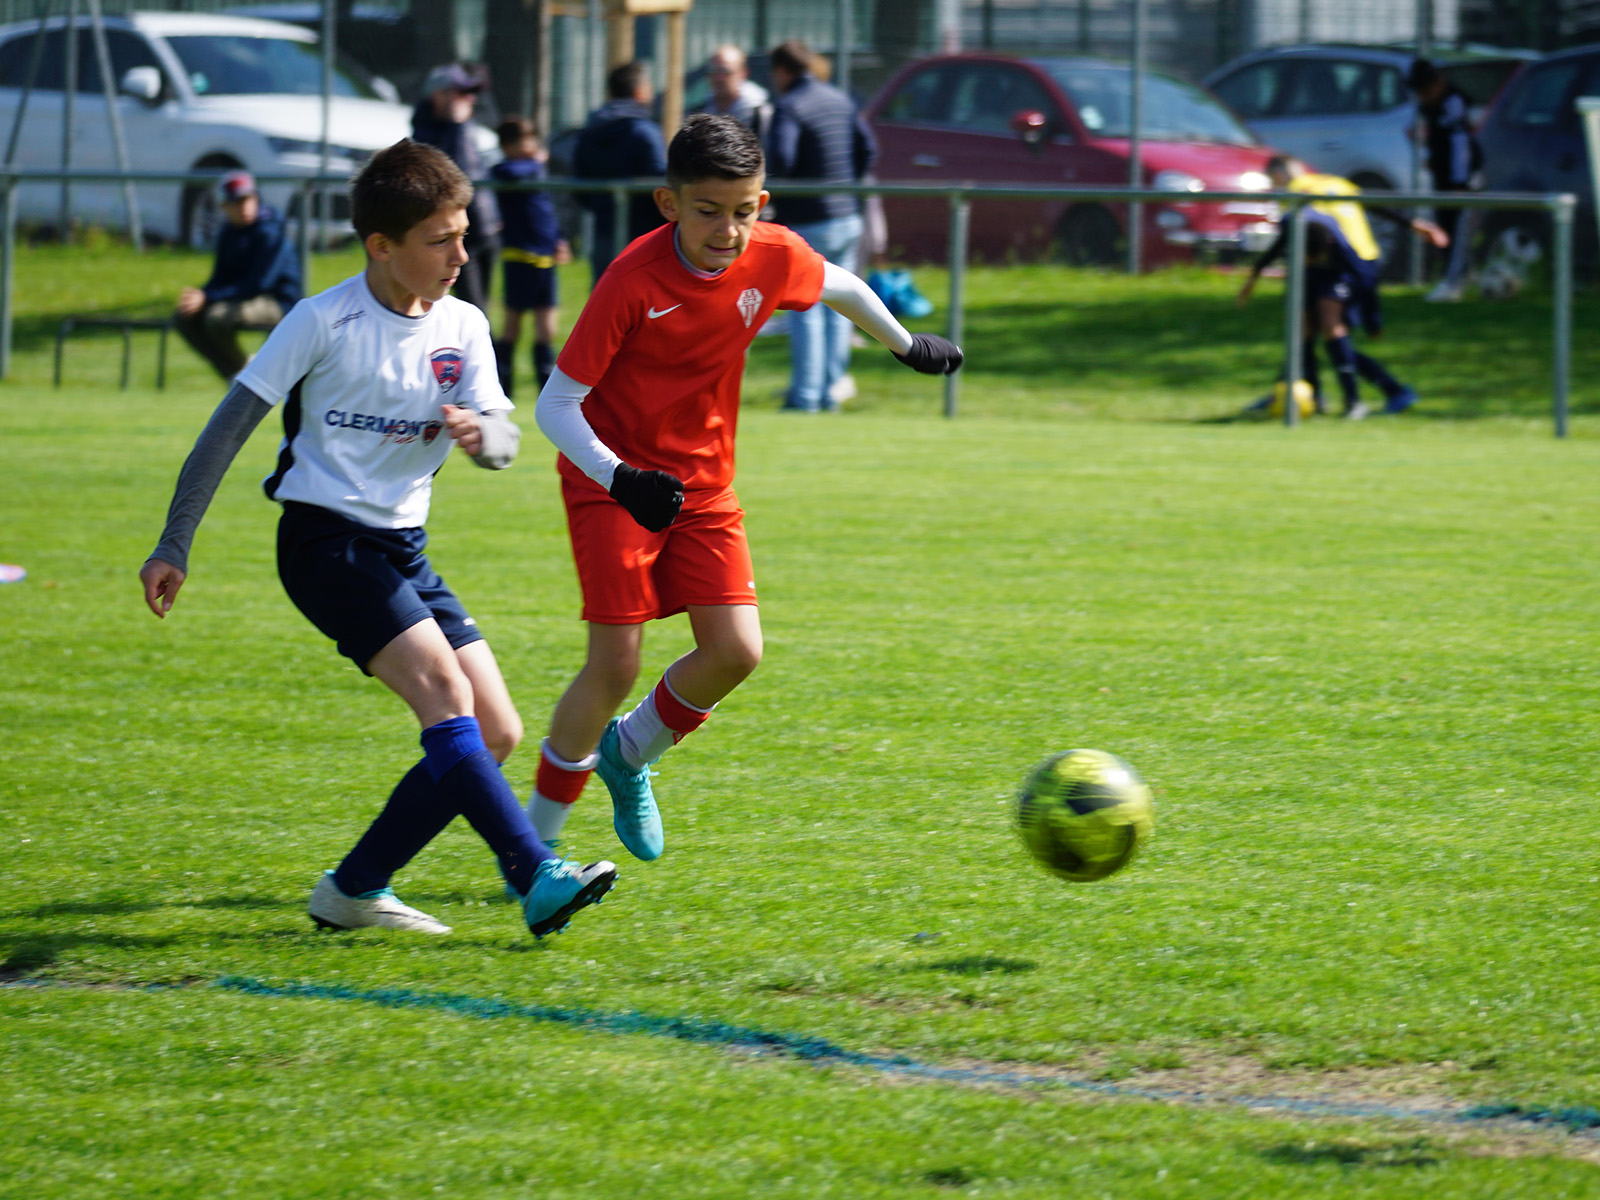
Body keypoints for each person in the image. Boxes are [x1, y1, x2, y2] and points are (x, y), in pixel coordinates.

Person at [138, 139, 616, 940]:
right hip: (325, 543)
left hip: (402, 550)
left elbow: (504, 441)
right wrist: (174, 542)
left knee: (494, 730)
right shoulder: (321, 321)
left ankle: (354, 889)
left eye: (465, 236)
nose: (462, 255)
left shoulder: (463, 325)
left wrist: (479, 436)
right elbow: (225, 433)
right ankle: (535, 873)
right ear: (381, 246)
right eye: (441, 241)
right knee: (445, 697)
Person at [521, 113, 961, 862]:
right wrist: (620, 478)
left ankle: (629, 754)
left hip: (702, 481)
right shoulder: (632, 278)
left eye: (745, 211)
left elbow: (842, 285)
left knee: (736, 650)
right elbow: (554, 406)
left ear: (763, 203)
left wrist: (904, 344)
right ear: (669, 205)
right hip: (609, 477)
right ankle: (530, 850)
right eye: (709, 211)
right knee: (615, 661)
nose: (728, 231)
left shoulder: (770, 253)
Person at [1238, 155, 1447, 420]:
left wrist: (1373, 315)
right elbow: (1371, 203)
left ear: (1279, 173)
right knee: (1307, 330)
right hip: (1361, 257)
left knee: (1331, 331)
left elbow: (1290, 233)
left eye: (1272, 179)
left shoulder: (1296, 192)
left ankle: (1370, 396)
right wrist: (1412, 223)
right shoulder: (1336, 183)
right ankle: (1297, 392)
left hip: (1340, 262)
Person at [765, 40, 878, 412]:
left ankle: (807, 396)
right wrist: (846, 183)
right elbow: (868, 149)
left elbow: (781, 157)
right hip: (847, 216)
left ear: (782, 71)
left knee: (807, 308)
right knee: (839, 305)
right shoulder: (840, 99)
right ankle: (832, 389)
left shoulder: (790, 105)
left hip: (809, 219)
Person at [173, 170, 302, 381]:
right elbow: (221, 277)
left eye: (248, 199)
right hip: (244, 297)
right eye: (236, 202)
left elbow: (259, 283)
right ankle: (236, 374)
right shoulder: (228, 232)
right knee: (183, 317)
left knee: (217, 318)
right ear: (224, 206)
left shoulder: (270, 231)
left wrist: (208, 298)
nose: (244, 206)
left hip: (278, 301)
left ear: (256, 198)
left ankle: (246, 375)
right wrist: (201, 295)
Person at [490, 116, 570, 398]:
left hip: (546, 258)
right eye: (526, 140)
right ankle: (502, 384)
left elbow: (545, 214)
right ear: (509, 145)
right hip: (520, 257)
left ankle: (546, 388)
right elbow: (506, 173)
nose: (533, 146)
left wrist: (558, 239)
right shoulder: (509, 170)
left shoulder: (536, 172)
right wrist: (536, 164)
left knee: (547, 325)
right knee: (512, 323)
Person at [412, 62, 501, 314]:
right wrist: (456, 126)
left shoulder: (465, 126)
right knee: (472, 309)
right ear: (439, 96)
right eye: (461, 93)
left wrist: (494, 216)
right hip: (458, 235)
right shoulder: (429, 130)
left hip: (485, 226)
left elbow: (479, 171)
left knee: (482, 306)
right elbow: (457, 172)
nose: (469, 99)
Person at [573, 61, 668, 286]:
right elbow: (660, 180)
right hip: (645, 237)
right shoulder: (645, 132)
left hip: (604, 232)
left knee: (606, 303)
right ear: (639, 91)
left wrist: (601, 205)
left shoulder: (591, 130)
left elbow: (579, 180)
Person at [1407, 57, 1483, 303]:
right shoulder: (1432, 107)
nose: (1422, 97)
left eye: (1424, 91)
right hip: (1444, 178)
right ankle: (1465, 275)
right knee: (1446, 225)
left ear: (1437, 84)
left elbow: (1460, 146)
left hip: (1459, 182)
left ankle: (1453, 283)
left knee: (1457, 230)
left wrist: (1459, 183)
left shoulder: (1452, 104)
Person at [694, 44, 772, 141]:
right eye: (713, 71)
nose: (719, 78)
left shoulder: (760, 115)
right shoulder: (699, 113)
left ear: (743, 74)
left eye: (725, 72)